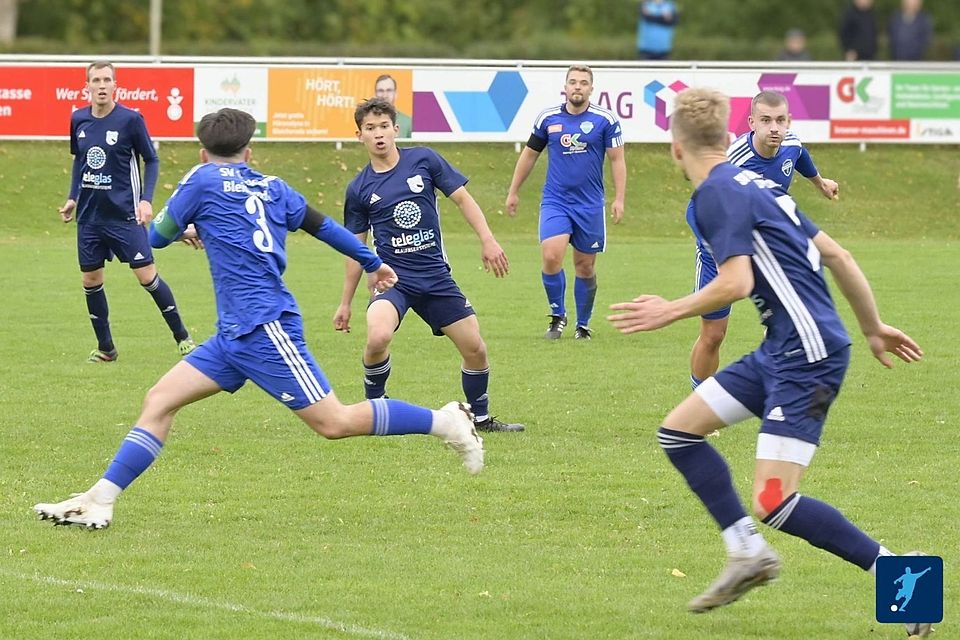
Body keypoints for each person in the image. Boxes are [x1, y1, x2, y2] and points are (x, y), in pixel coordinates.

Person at [34, 108, 485, 530]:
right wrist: (373, 262)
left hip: (266, 328)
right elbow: (325, 227)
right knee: (159, 400)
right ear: (249, 152)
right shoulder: (274, 187)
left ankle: (445, 422)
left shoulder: (200, 179)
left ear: (202, 151)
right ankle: (100, 499)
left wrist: (190, 227)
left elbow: (155, 236)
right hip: (234, 334)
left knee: (334, 423)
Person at [608, 88, 926, 635]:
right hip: (782, 346)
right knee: (679, 431)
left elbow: (736, 281)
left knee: (774, 499)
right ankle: (746, 551)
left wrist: (671, 310)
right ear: (729, 136)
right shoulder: (755, 182)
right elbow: (837, 254)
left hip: (808, 356)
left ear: (675, 149)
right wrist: (872, 327)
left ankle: (902, 577)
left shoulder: (715, 193)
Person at [334, 98, 524, 434]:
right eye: (370, 128)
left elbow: (463, 198)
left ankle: (479, 418)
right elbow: (355, 246)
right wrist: (346, 302)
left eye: (383, 126)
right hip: (393, 279)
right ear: (359, 135)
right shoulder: (359, 188)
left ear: (396, 129)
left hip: (436, 277)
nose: (378, 134)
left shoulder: (423, 159)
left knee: (475, 348)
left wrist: (488, 239)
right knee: (377, 336)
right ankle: (375, 409)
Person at [688, 90, 839, 389]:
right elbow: (697, 207)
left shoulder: (791, 144)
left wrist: (821, 183)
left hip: (766, 250)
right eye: (766, 120)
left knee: (794, 321)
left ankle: (793, 386)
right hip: (718, 253)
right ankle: (700, 397)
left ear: (789, 121)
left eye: (781, 120)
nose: (775, 128)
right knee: (714, 335)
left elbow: (801, 158)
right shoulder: (732, 160)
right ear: (751, 122)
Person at [59, 60, 195, 362]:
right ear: (87, 87)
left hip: (124, 216)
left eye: (107, 79)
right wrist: (72, 197)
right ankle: (106, 348)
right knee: (91, 281)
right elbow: (79, 161)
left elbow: (152, 160)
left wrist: (146, 200)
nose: (102, 85)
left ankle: (183, 337)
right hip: (90, 219)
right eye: (96, 80)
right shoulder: (78, 119)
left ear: (115, 85)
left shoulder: (131, 120)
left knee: (147, 276)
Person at [505, 64, 626, 340]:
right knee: (551, 256)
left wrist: (619, 198)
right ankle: (557, 315)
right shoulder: (548, 119)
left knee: (585, 266)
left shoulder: (604, 120)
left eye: (583, 83)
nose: (577, 87)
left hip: (590, 204)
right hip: (556, 201)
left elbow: (617, 159)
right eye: (573, 82)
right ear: (565, 87)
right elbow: (529, 155)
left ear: (591, 89)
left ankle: (582, 325)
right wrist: (514, 190)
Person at [374, 74, 412, 138]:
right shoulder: (368, 120)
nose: (385, 95)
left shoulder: (408, 123)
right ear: (375, 94)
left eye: (389, 90)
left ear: (395, 94)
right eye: (381, 91)